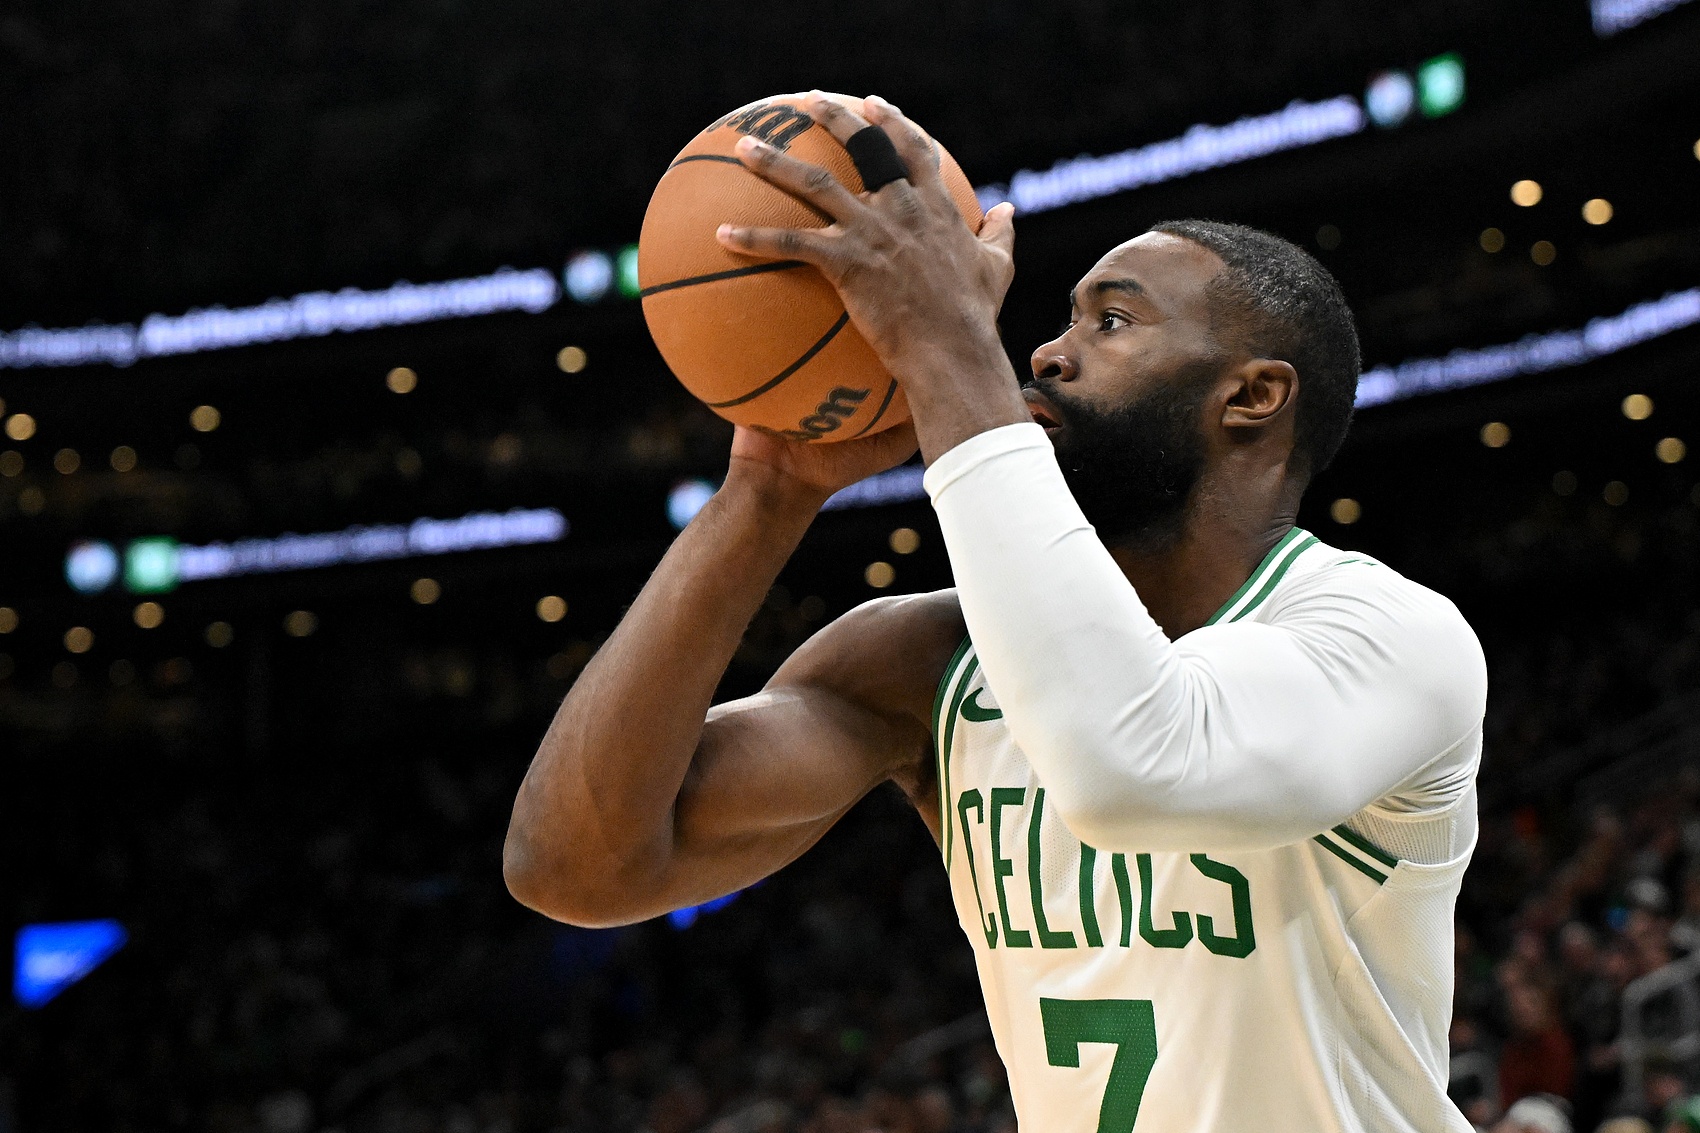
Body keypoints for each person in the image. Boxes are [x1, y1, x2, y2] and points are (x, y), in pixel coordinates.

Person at [504, 93, 1488, 1131]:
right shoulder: (924, 661)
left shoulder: (1388, 639)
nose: (1047, 353)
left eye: (1111, 321)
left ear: (1251, 396)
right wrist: (767, 491)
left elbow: (1131, 758)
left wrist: (945, 344)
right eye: (1061, 319)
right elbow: (575, 866)